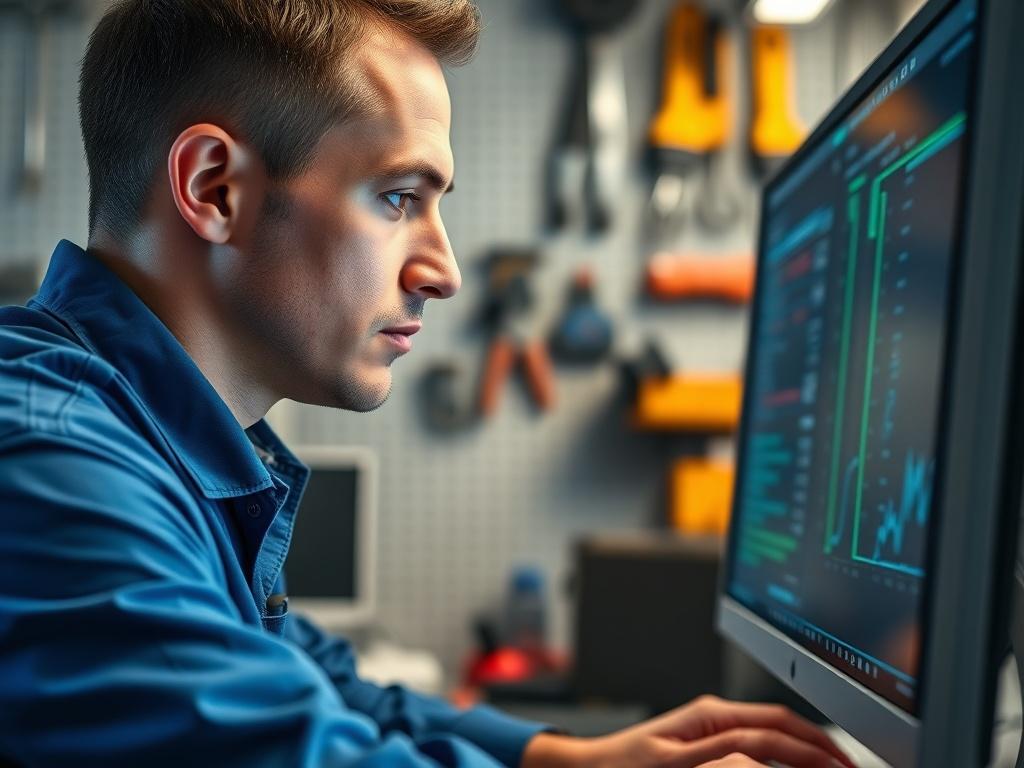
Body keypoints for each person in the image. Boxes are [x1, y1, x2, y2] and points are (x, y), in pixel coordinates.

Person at [0, 2, 855, 766]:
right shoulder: (50, 460)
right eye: (398, 198)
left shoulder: (143, 440)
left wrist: (563, 758)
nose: (444, 272)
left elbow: (308, 679)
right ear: (213, 188)